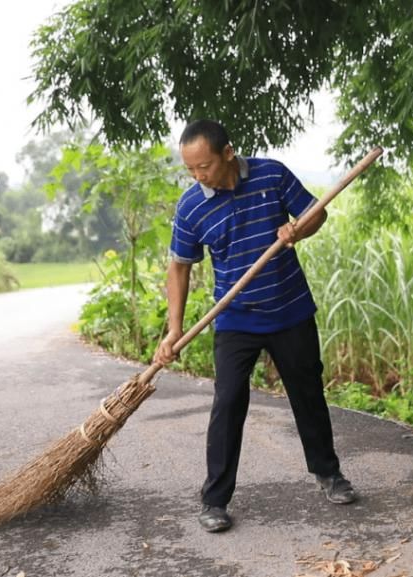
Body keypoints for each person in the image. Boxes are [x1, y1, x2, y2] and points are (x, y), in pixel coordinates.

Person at [153, 119, 356, 533]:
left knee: (307, 392)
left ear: (228, 152)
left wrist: (298, 229)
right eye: (191, 169)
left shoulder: (272, 175)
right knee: (227, 402)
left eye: (204, 166)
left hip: (290, 310)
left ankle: (328, 475)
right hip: (235, 319)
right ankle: (214, 500)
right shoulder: (192, 206)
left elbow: (318, 213)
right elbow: (179, 268)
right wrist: (174, 329)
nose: (198, 176)